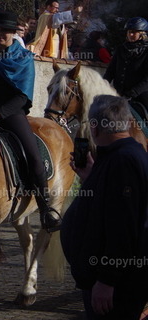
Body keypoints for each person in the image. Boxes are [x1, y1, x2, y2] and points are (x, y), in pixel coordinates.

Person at [0, 11, 61, 232]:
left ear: (13, 33)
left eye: (5, 30)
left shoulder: (23, 58)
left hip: (10, 114)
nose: (0, 34)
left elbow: (22, 97)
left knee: (32, 153)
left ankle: (45, 208)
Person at [62, 95, 148, 319]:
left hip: (115, 287)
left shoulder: (123, 161)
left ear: (95, 127)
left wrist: (107, 280)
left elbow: (123, 227)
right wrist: (91, 177)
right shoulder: (119, 157)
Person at [103, 17, 148, 109]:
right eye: (129, 32)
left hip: (141, 96)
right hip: (119, 95)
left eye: (134, 32)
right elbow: (110, 71)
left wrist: (132, 93)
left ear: (142, 34)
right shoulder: (121, 49)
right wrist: (102, 84)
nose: (130, 34)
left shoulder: (146, 51)